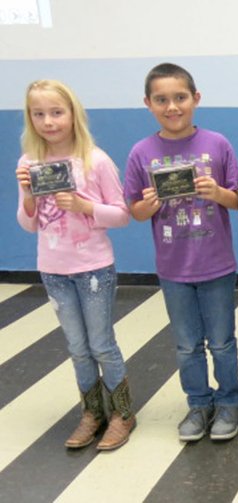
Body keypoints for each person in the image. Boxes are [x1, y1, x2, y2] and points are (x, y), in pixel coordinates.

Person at [123, 63, 238, 442]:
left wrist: (216, 193)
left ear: (196, 99)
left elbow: (237, 200)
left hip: (217, 264)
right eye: (161, 100)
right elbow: (134, 211)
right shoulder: (141, 153)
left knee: (222, 341)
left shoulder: (217, 144)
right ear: (148, 103)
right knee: (187, 344)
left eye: (180, 97)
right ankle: (198, 403)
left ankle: (228, 402)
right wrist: (150, 204)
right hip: (173, 269)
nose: (172, 106)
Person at [15, 79, 135, 450]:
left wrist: (84, 207)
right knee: (76, 345)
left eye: (56, 112)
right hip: (53, 268)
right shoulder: (29, 163)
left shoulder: (95, 161)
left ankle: (122, 412)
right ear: (30, 118)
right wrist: (29, 195)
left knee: (101, 343)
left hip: (93, 268)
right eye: (39, 114)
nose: (49, 121)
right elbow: (27, 222)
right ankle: (92, 411)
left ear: (72, 114)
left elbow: (121, 215)